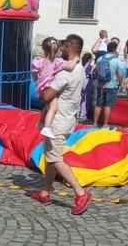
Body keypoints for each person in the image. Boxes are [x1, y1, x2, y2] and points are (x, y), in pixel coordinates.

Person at [30, 35, 93, 215]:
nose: (61, 49)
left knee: (55, 159)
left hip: (58, 121)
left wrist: (40, 85)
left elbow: (46, 96)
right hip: (68, 119)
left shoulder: (65, 73)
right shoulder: (79, 67)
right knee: (50, 156)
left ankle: (80, 193)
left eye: (64, 46)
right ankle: (46, 191)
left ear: (68, 47)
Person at [31, 38, 78, 138]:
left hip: (40, 87)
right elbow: (70, 67)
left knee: (47, 107)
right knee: (54, 108)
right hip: (49, 87)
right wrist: (75, 60)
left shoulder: (39, 61)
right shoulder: (57, 62)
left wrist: (37, 80)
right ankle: (47, 128)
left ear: (43, 49)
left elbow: (34, 73)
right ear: (57, 50)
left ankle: (40, 123)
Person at [92, 41, 123, 128]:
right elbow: (120, 75)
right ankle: (105, 124)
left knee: (98, 105)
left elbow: (96, 71)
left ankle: (95, 122)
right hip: (111, 85)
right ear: (115, 49)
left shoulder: (100, 58)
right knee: (107, 106)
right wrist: (119, 84)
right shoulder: (116, 60)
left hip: (100, 85)